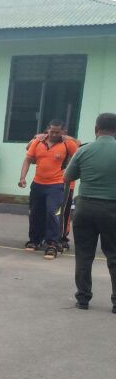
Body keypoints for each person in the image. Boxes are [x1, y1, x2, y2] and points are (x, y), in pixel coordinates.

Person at [64, 112, 116, 312]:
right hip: (112, 208)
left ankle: (83, 299)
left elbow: (68, 177)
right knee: (113, 256)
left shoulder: (83, 150)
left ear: (96, 129)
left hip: (85, 207)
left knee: (84, 255)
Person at [20, 120, 77, 259]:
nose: (54, 134)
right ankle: (35, 240)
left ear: (63, 131)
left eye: (58, 132)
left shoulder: (67, 143)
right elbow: (28, 159)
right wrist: (22, 177)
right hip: (38, 184)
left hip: (57, 185)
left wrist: (70, 175)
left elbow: (78, 158)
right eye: (52, 131)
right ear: (47, 129)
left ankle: (52, 243)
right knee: (35, 212)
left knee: (53, 213)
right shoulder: (38, 142)